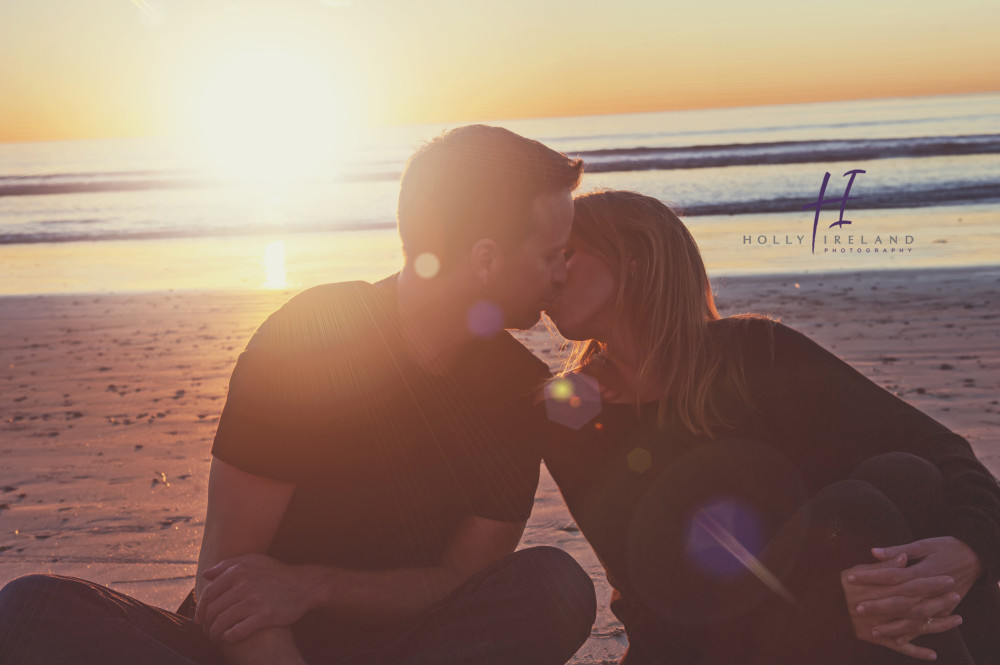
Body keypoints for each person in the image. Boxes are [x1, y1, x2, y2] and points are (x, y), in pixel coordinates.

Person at [0, 125, 597, 665]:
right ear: (486, 258)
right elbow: (224, 580)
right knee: (29, 611)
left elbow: (462, 576)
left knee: (556, 587)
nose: (562, 272)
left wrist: (314, 584)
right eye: (551, 254)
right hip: (248, 648)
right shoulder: (313, 336)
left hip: (410, 649)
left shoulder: (518, 390)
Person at [538, 189, 1000, 665]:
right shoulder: (570, 408)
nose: (548, 275)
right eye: (543, 258)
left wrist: (972, 551)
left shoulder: (757, 353)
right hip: (702, 645)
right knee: (857, 504)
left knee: (908, 476)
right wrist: (825, 613)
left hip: (843, 622)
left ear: (633, 257)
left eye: (565, 254)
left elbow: (942, 450)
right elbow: (661, 596)